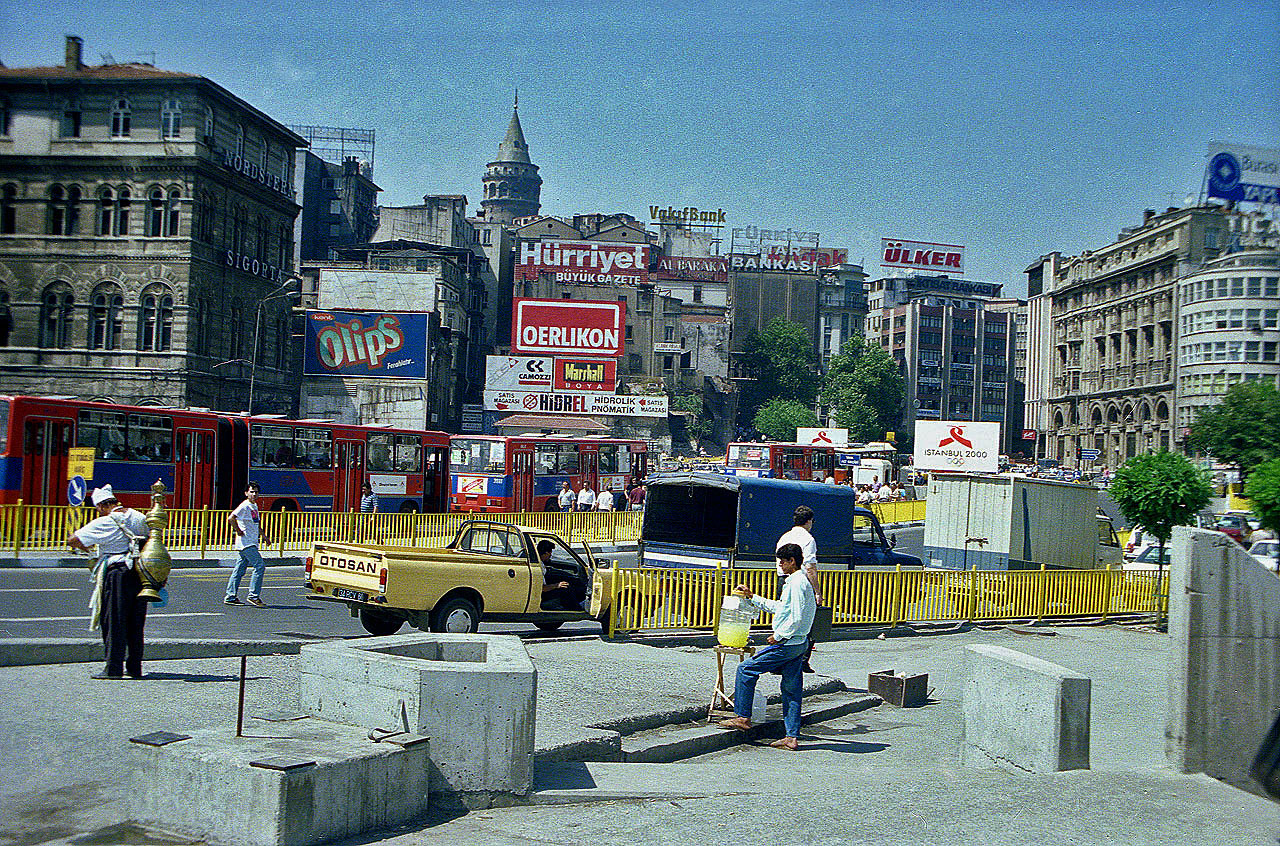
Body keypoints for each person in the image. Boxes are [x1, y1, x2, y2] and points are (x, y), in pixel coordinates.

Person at [717, 543, 816, 750]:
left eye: (783, 561)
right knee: (791, 689)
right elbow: (781, 608)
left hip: (788, 643)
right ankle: (791, 737)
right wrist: (753, 597)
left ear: (792, 561)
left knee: (746, 668)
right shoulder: (797, 581)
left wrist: (779, 636)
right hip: (799, 643)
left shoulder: (797, 583)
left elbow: (795, 617)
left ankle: (743, 717)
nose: (780, 565)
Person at [68, 485, 150, 680]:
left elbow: (73, 539)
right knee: (136, 622)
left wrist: (87, 549)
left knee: (114, 620)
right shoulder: (138, 516)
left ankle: (113, 668)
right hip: (139, 573)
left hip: (117, 574)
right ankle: (134, 667)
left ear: (102, 505)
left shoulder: (104, 522)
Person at [776, 505, 822, 672]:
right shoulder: (808, 539)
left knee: (784, 616)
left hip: (783, 580)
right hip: (801, 581)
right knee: (805, 621)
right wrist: (817, 592)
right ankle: (801, 661)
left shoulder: (784, 537)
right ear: (809, 521)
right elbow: (810, 567)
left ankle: (781, 658)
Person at [225, 482, 269, 608]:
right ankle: (253, 596)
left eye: (256, 492)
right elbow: (231, 518)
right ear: (246, 493)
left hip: (251, 542)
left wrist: (264, 536)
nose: (254, 494)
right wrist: (238, 530)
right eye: (251, 492)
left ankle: (230, 596)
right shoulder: (245, 506)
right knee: (260, 566)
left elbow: (256, 524)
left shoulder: (254, 506)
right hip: (246, 543)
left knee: (239, 570)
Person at [537, 539, 583, 611]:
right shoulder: (537, 567)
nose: (550, 555)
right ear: (545, 553)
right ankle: (577, 610)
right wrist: (557, 585)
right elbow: (542, 588)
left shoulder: (541, 563)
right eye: (550, 553)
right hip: (542, 595)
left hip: (544, 589)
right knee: (566, 589)